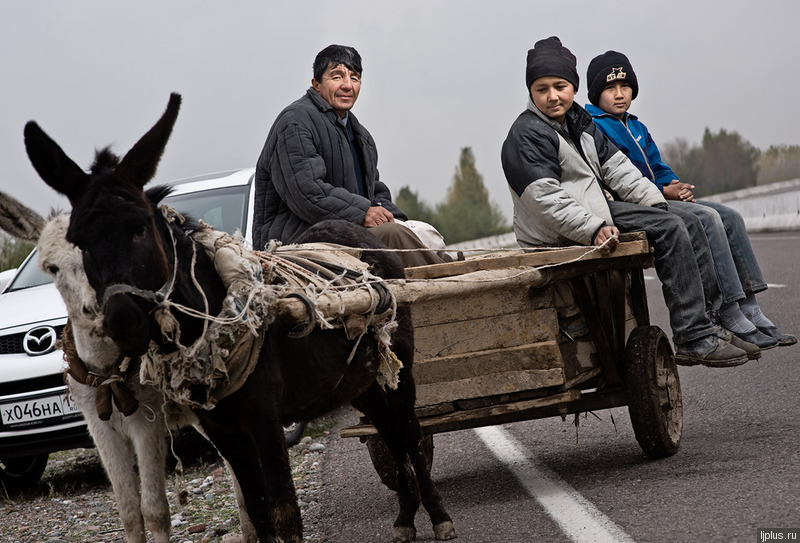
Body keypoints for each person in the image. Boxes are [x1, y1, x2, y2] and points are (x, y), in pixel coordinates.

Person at [501, 36, 751, 367]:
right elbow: (545, 200)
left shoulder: (579, 122)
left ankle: (711, 323)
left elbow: (618, 169)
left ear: (573, 88)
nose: (551, 96)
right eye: (541, 89)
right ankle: (693, 336)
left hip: (596, 210)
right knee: (672, 229)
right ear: (531, 93)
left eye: (559, 86)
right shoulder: (527, 134)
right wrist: (593, 229)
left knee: (686, 218)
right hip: (559, 230)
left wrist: (656, 203)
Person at [585, 50, 796, 347]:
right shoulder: (594, 126)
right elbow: (617, 180)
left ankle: (751, 308)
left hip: (659, 194)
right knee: (707, 219)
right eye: (609, 88)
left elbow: (657, 166)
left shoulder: (636, 126)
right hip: (638, 203)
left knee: (730, 218)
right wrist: (662, 193)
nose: (619, 94)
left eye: (625, 86)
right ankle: (727, 311)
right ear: (595, 93)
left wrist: (674, 183)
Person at [252, 44, 444, 268]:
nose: (347, 85)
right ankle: (449, 287)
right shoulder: (295, 122)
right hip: (299, 243)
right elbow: (308, 193)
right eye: (337, 76)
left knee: (415, 231)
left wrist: (397, 218)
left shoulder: (360, 134)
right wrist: (363, 212)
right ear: (316, 84)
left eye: (355, 77)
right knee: (393, 235)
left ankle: (446, 271)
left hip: (345, 231)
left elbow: (373, 190)